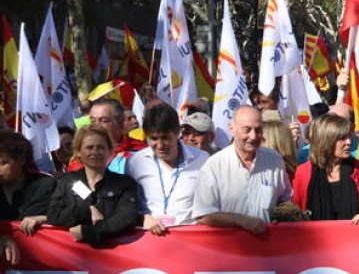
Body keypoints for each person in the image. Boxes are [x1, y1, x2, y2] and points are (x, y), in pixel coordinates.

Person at [192, 106, 293, 234]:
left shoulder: (274, 160)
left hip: (268, 247)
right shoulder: (214, 165)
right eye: (247, 130)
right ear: (231, 129)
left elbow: (285, 200)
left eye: (258, 130)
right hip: (229, 250)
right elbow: (203, 214)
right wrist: (241, 221)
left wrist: (284, 215)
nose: (253, 136)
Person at [37, 126, 140, 245]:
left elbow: (126, 219)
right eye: (89, 147)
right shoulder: (66, 181)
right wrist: (87, 210)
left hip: (117, 256)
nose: (95, 152)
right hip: (74, 257)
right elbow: (54, 215)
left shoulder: (125, 183)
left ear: (110, 151)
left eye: (100, 147)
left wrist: (87, 232)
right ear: (78, 152)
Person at [127, 104, 209, 234]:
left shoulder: (202, 160)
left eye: (165, 138)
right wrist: (141, 218)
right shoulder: (135, 162)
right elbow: (127, 205)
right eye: (154, 138)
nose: (160, 145)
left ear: (177, 133)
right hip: (149, 241)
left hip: (189, 240)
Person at [291, 114, 359, 224]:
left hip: (354, 238)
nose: (349, 142)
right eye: (342, 138)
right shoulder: (302, 173)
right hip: (316, 239)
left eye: (349, 136)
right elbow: (294, 214)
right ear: (325, 141)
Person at [0, 132, 55, 263]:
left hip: (43, 269)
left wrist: (44, 218)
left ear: (21, 160)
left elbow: (73, 215)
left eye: (4, 163)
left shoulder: (46, 186)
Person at [68, 99, 146, 173]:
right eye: (93, 121)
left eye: (104, 120)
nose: (96, 125)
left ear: (121, 123)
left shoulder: (140, 151)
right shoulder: (82, 156)